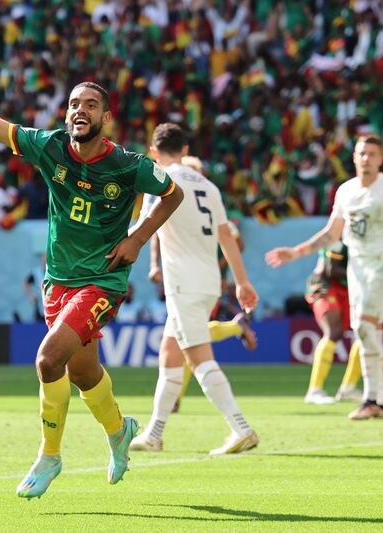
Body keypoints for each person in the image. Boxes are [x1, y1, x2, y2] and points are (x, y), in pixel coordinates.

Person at [0, 36, 184, 498]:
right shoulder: (50, 147)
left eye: (91, 105)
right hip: (58, 279)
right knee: (81, 373)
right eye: (74, 103)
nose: (80, 110)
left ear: (106, 117)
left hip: (101, 279)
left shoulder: (128, 165)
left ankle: (49, 455)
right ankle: (119, 430)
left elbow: (171, 194)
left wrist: (137, 238)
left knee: (47, 359)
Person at [130, 123, 259, 454]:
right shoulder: (209, 186)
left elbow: (145, 227)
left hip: (182, 283)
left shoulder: (159, 180)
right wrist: (242, 282)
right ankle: (154, 434)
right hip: (208, 283)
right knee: (169, 353)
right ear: (185, 150)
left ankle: (240, 428)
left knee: (199, 358)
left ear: (154, 153)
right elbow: (226, 236)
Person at [266, 135, 383, 421]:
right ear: (354, 158)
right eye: (362, 153)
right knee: (369, 332)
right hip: (356, 270)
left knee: (364, 327)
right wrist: (296, 252)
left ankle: (371, 398)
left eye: (372, 153)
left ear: (381, 159)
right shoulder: (345, 191)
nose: (366, 158)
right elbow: (332, 233)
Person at [303, 241, 363, 404]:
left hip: (349, 289)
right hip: (325, 285)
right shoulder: (339, 238)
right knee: (333, 332)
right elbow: (331, 269)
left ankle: (348, 388)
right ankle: (314, 390)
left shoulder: (369, 238)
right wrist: (366, 276)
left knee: (364, 332)